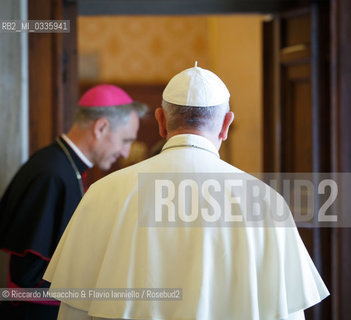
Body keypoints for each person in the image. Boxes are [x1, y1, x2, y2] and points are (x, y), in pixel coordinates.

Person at [44, 63, 329, 320]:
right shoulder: (265, 201)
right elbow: (286, 313)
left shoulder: (103, 192)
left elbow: (74, 310)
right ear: (226, 124)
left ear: (161, 121)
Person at [0, 84, 147, 319]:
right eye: (125, 140)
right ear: (101, 127)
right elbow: (29, 276)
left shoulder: (65, 168)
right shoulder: (52, 174)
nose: (125, 153)